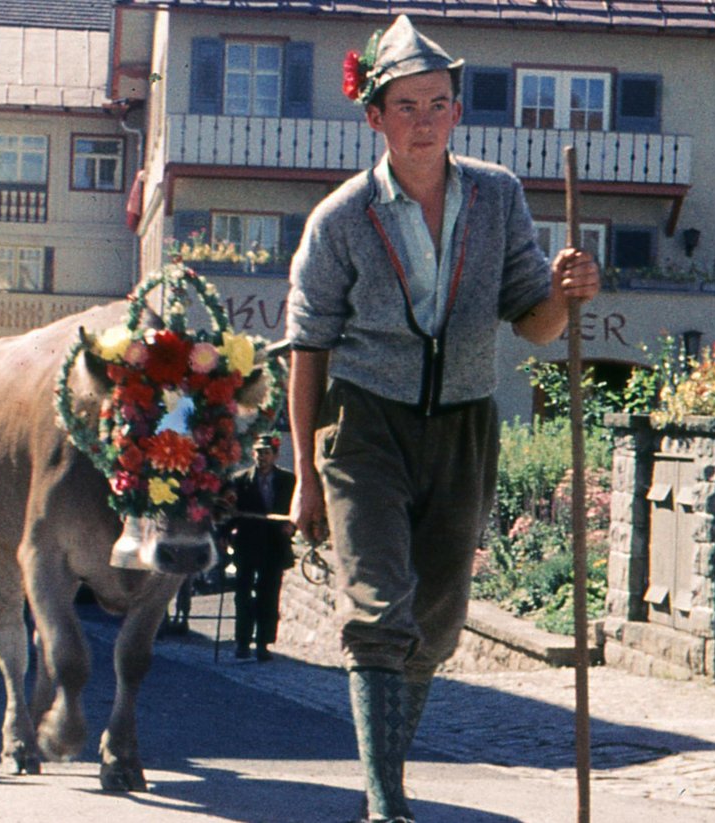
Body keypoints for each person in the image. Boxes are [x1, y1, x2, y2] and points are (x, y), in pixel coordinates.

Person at [284, 16, 601, 823]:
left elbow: (530, 321)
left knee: (437, 620)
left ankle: (384, 779)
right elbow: (308, 350)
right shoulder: (343, 217)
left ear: (457, 113)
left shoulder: (497, 196)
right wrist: (304, 478)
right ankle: (387, 803)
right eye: (406, 106)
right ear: (376, 118)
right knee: (380, 606)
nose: (424, 120)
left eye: (438, 104)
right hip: (363, 424)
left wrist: (565, 298)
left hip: (463, 422)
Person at [225, 435, 296, 661]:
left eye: (266, 452)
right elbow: (230, 511)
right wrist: (224, 534)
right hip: (247, 543)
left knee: (269, 595)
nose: (261, 457)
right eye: (258, 452)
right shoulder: (240, 479)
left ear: (275, 455)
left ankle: (263, 643)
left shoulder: (288, 480)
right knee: (243, 594)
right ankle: (242, 642)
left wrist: (291, 527)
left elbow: (295, 510)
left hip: (274, 545)